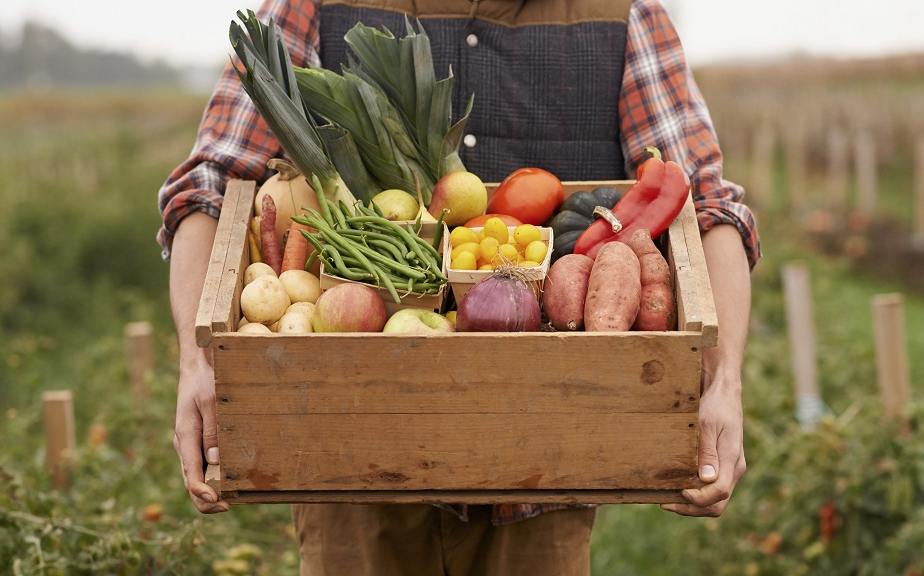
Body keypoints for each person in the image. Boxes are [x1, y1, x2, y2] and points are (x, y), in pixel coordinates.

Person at [159, 0, 760, 573]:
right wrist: (197, 360)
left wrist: (723, 381)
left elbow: (706, 205)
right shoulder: (314, 6)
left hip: (546, 467)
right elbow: (211, 185)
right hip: (350, 465)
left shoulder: (621, 12)